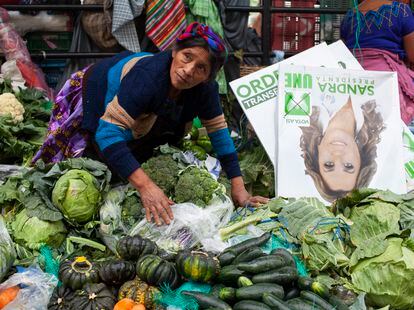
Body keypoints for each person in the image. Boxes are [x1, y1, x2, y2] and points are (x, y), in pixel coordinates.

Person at [32, 22, 269, 225]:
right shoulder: (148, 77)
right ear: (175, 51)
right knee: (96, 158)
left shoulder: (204, 90)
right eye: (187, 57)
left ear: (208, 77)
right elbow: (107, 132)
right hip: (95, 88)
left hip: (148, 104)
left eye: (201, 68)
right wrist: (146, 187)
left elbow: (220, 135)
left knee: (140, 151)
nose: (188, 71)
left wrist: (239, 188)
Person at [340, 0, 414, 124]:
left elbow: (342, 51)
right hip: (386, 76)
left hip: (352, 79)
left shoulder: (350, 16)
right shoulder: (401, 11)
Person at [300, 96, 385, 202]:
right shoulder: (381, 108)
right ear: (361, 158)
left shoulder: (303, 109)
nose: (337, 155)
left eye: (329, 165)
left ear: (316, 155)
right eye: (349, 166)